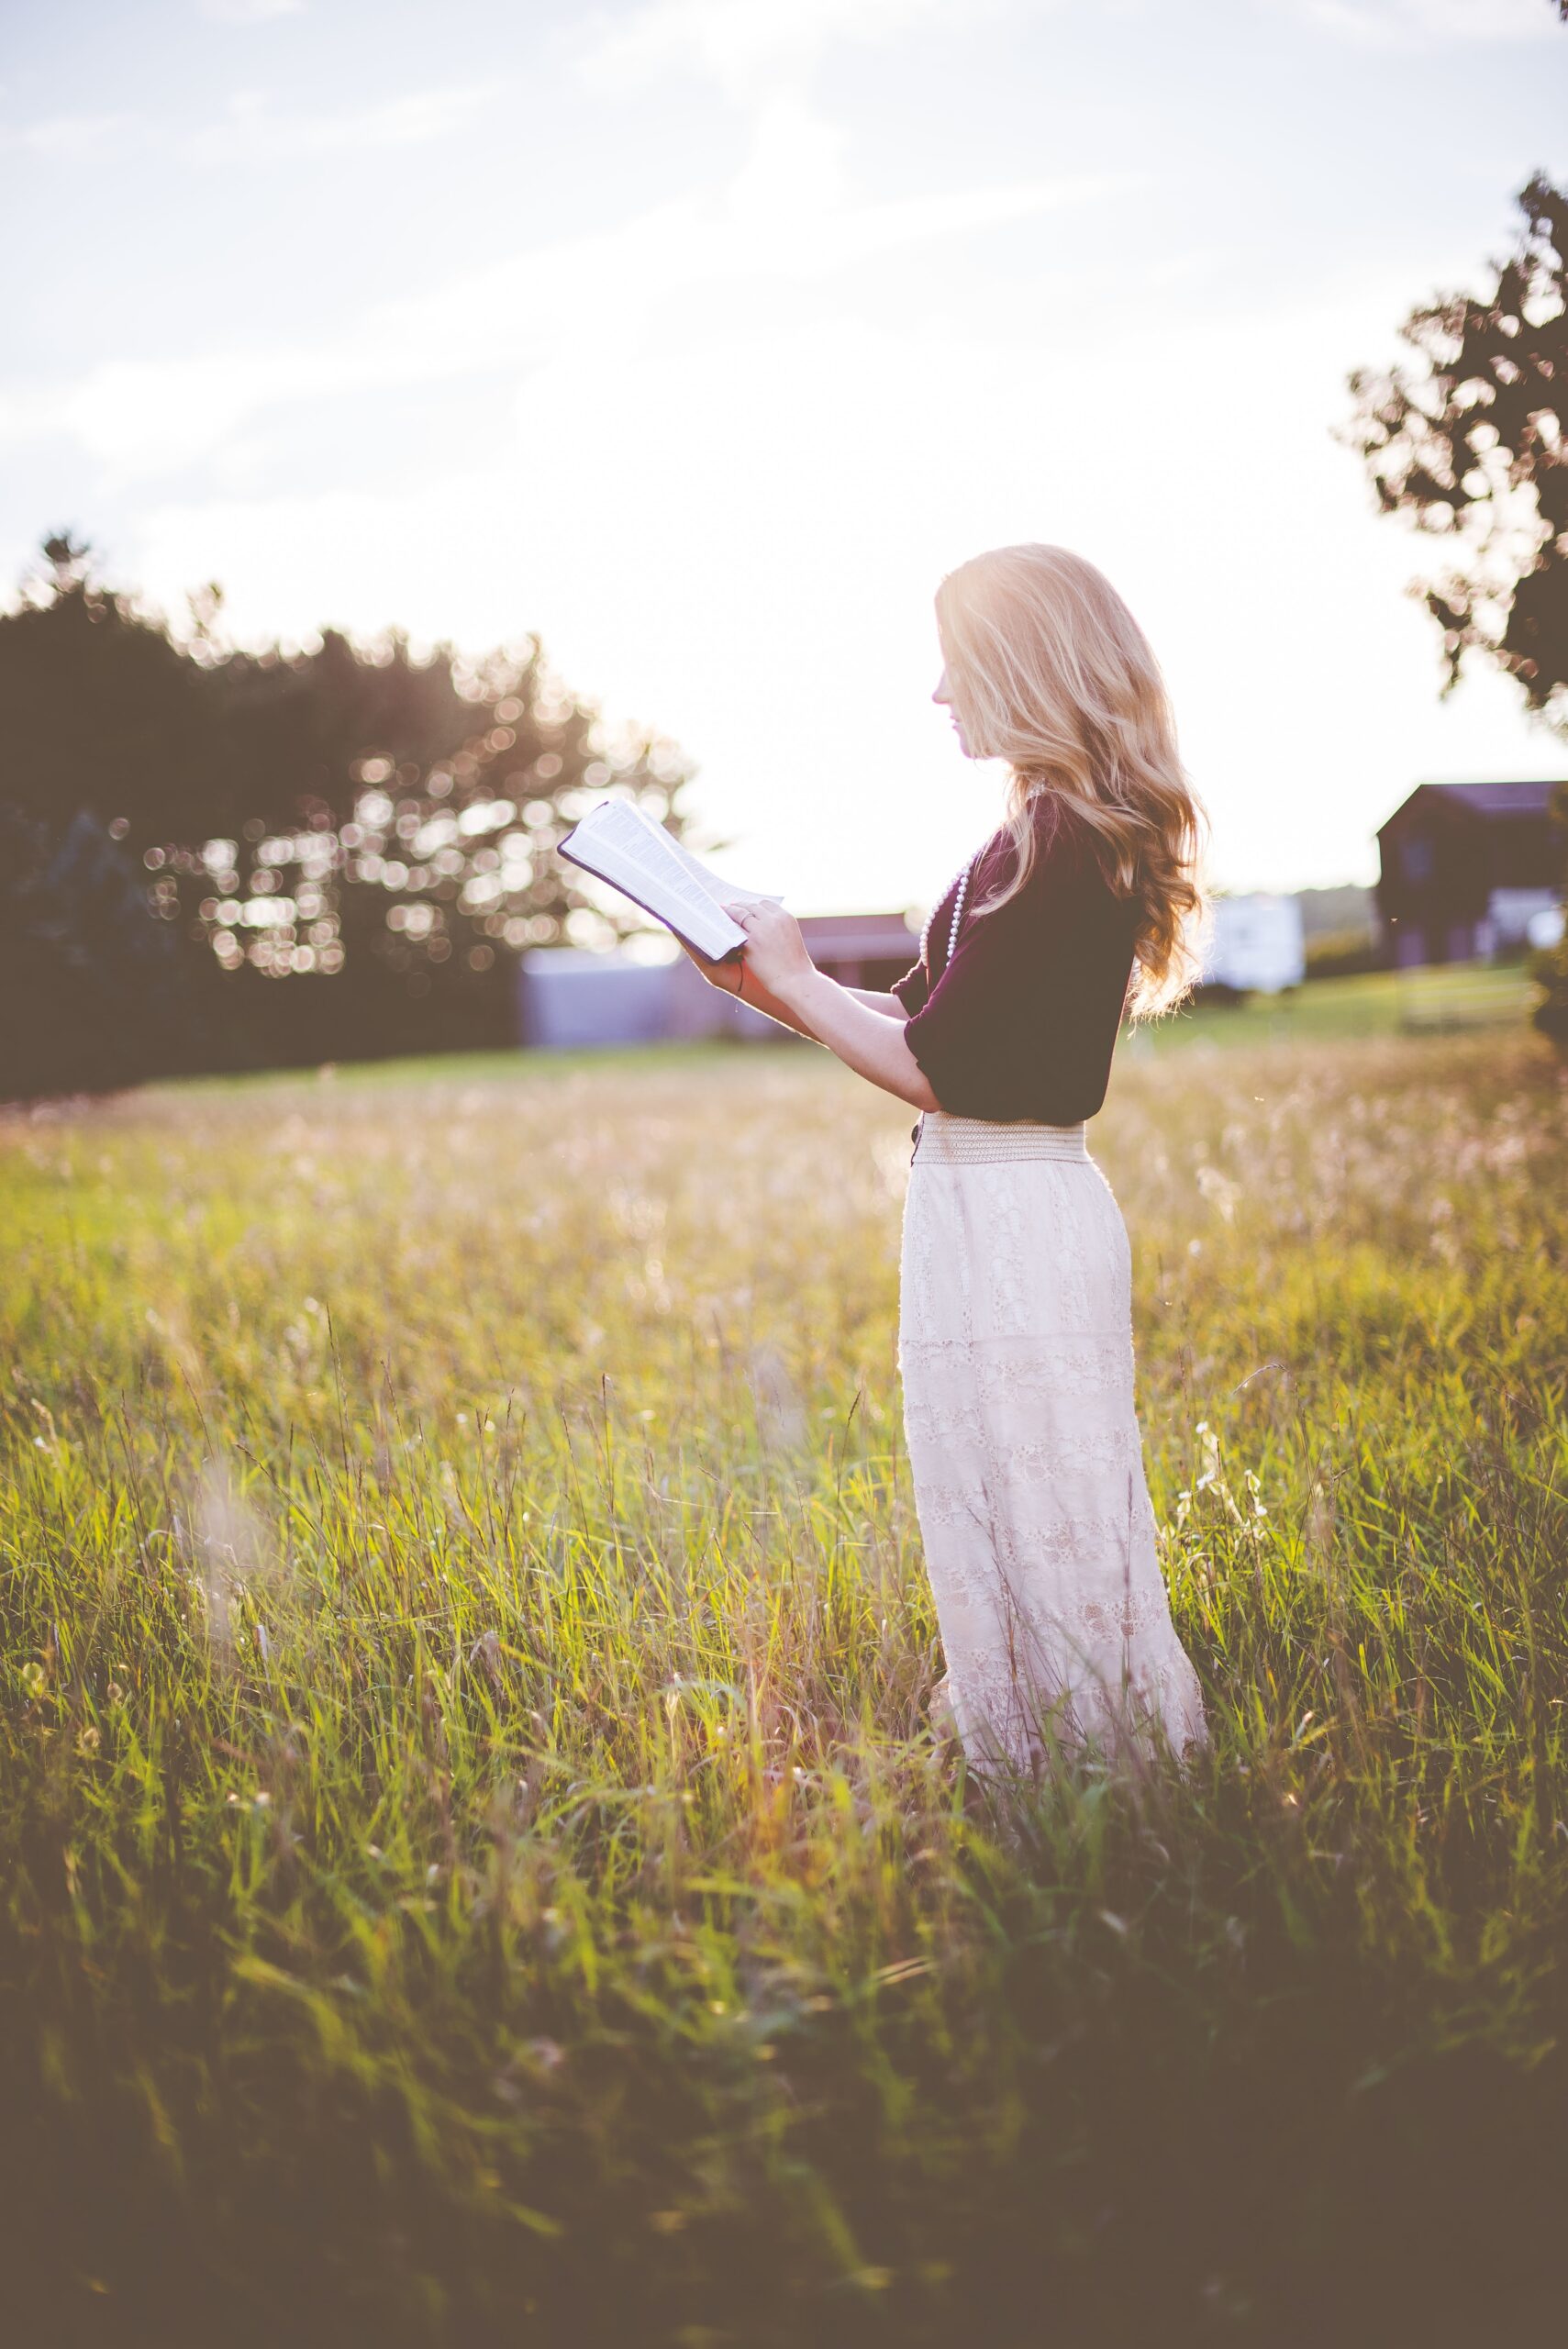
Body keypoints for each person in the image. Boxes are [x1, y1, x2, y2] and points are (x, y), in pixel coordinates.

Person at [679, 543, 1208, 1781]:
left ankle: (1101, 1775)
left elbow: (937, 1067)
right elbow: (922, 1023)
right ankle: (1042, 1760)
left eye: (954, 664)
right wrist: (766, 983)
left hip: (1015, 1207)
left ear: (1024, 668)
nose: (935, 694)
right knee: (993, 1485)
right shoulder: (1033, 835)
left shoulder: (1065, 842)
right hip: (984, 1205)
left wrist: (797, 980)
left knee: (1049, 1499)